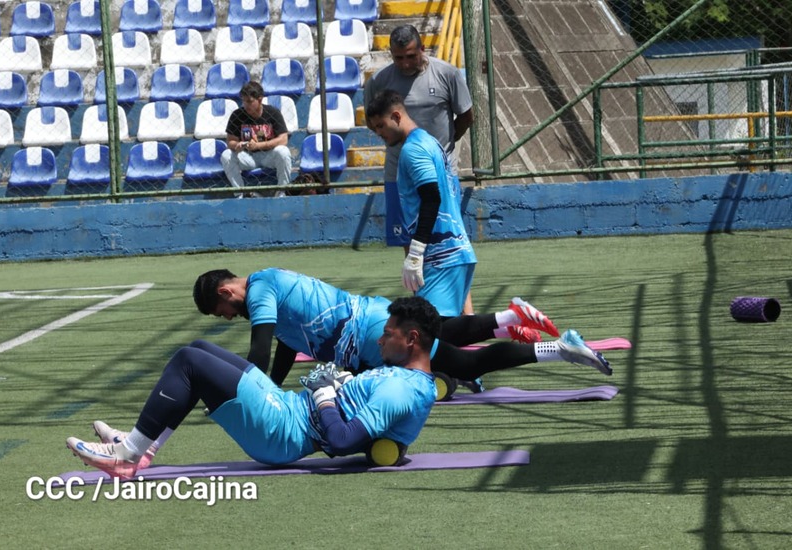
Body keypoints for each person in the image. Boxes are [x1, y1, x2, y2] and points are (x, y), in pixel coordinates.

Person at [66, 296, 441, 480]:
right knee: (200, 348)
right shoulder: (402, 377)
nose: (379, 341)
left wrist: (326, 396)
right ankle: (140, 447)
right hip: (290, 409)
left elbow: (342, 442)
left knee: (189, 361)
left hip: (285, 431)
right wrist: (338, 385)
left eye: (387, 334)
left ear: (411, 339)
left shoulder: (402, 391)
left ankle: (128, 455)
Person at [192, 268, 611, 389]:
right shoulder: (270, 284)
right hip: (374, 320)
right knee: (444, 333)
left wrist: (244, 392)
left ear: (229, 289)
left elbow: (261, 348)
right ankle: (509, 319)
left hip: (374, 336)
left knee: (463, 366)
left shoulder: (261, 289)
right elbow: (283, 349)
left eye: (222, 309)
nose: (228, 317)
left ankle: (562, 349)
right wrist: (272, 388)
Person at [364, 24, 475, 314]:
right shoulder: (379, 81)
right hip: (398, 174)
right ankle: (424, 309)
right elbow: (374, 120)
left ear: (421, 49)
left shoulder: (447, 73)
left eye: (410, 56)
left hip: (439, 169)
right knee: (410, 237)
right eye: (398, 58)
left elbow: (466, 116)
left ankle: (466, 314)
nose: (404, 63)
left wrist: (444, 147)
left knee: (449, 237)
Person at [220, 80, 293, 196]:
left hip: (269, 156)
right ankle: (241, 193)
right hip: (247, 156)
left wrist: (259, 145)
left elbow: (283, 139)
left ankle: (282, 193)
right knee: (226, 155)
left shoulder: (272, 112)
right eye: (244, 101)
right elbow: (230, 141)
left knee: (283, 152)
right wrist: (237, 145)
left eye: (249, 101)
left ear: (260, 99)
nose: (246, 105)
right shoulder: (237, 115)